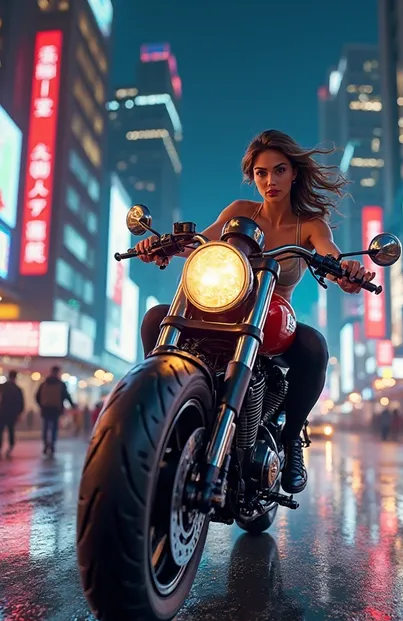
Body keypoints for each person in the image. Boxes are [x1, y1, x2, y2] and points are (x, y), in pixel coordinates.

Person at [137, 130, 375, 494]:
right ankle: (156, 410)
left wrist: (347, 275)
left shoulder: (310, 224)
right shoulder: (239, 213)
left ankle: (292, 437)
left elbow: (330, 256)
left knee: (315, 348)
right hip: (224, 308)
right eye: (261, 173)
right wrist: (166, 246)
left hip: (274, 320)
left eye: (279, 170)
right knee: (157, 318)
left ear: (293, 173)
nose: (270, 181)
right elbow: (205, 241)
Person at [36, 365, 75, 457]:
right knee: (54, 428)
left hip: (45, 408)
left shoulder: (44, 383)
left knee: (45, 427)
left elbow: (37, 396)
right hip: (55, 409)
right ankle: (52, 445)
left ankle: (45, 445)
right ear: (58, 372)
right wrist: (72, 405)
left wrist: (41, 405)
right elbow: (66, 395)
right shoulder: (60, 384)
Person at [0, 371, 25, 459]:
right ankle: (10, 447)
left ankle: (1, 447)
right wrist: (19, 413)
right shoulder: (17, 389)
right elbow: (21, 403)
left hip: (2, 413)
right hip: (12, 414)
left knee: (0, 431)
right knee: (11, 431)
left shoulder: (2, 387)